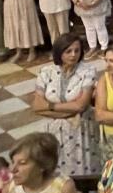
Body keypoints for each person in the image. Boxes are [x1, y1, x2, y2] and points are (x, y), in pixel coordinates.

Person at [34, 33, 106, 177]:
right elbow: (37, 106)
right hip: (53, 131)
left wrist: (50, 106)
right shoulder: (46, 72)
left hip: (80, 130)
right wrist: (69, 110)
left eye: (77, 51)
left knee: (83, 169)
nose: (73, 55)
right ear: (59, 52)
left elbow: (81, 106)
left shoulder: (88, 71)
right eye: (68, 51)